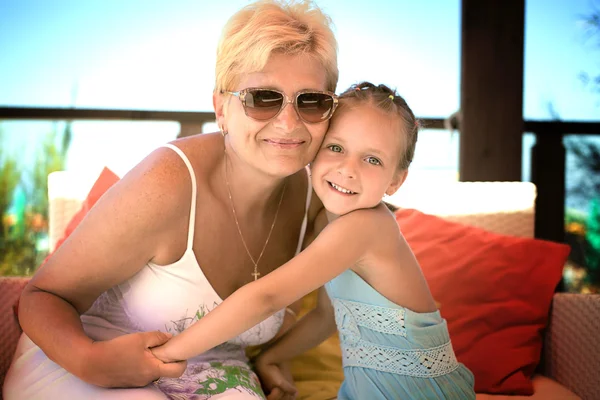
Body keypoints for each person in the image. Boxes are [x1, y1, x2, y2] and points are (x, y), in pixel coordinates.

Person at [3, 1, 339, 399]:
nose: (288, 122)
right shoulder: (167, 182)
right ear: (221, 108)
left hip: (217, 371)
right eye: (262, 98)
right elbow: (43, 297)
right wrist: (91, 360)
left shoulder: (321, 201)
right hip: (86, 356)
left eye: (311, 101)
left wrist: (273, 358)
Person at [150, 82, 477, 400]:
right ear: (314, 150)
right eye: (336, 148)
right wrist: (270, 358)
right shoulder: (331, 221)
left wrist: (164, 355)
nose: (348, 169)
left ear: (395, 180)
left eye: (372, 159)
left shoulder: (366, 227)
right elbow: (324, 316)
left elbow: (267, 296)